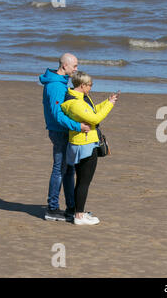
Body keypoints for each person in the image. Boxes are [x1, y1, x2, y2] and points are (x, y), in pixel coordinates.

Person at [61, 71, 119, 225]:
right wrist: (110, 106)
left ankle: (78, 212)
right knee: (84, 181)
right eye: (90, 85)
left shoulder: (80, 98)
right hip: (84, 145)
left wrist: (107, 101)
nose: (92, 87)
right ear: (83, 85)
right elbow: (95, 118)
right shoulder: (75, 103)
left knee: (82, 181)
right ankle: (79, 216)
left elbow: (91, 111)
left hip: (84, 143)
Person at [40, 53, 91, 222]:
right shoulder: (55, 85)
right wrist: (78, 126)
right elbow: (57, 114)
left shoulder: (61, 83)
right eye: (75, 66)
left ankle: (71, 207)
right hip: (59, 132)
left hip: (63, 131)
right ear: (65, 66)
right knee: (59, 170)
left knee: (69, 170)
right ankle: (52, 208)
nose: (76, 69)